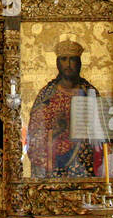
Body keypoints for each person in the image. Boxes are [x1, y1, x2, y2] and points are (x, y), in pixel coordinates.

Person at [26, 39, 105, 178]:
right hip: (55, 163)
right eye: (64, 59)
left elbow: (101, 130)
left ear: (79, 63)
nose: (68, 64)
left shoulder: (89, 92)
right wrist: (56, 130)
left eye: (73, 59)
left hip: (84, 163)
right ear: (57, 63)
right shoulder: (47, 94)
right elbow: (35, 132)